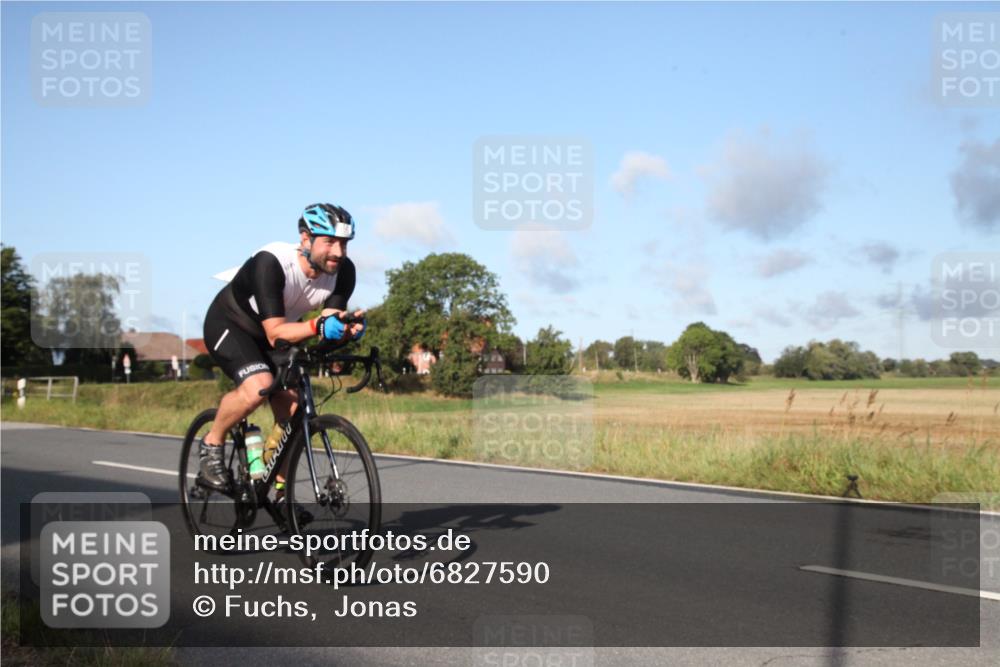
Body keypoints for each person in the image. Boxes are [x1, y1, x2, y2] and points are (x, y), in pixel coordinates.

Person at [199, 203, 366, 518]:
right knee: (257, 386)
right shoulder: (271, 263)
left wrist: (345, 330)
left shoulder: (344, 273)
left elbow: (325, 328)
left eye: (344, 243)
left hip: (280, 331)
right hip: (232, 325)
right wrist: (317, 325)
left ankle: (277, 491)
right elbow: (276, 334)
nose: (339, 251)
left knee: (295, 410)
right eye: (329, 241)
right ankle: (211, 444)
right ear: (305, 239)